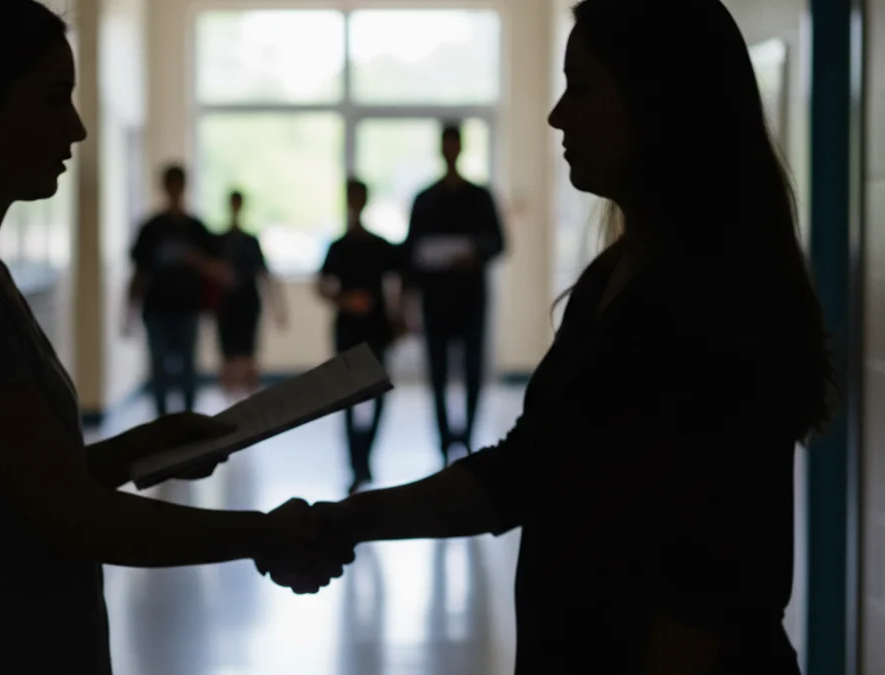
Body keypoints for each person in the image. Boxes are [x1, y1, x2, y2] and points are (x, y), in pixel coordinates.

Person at [263, 0, 835, 672]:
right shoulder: (612, 279)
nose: (557, 115)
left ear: (656, 102)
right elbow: (530, 468)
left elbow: (709, 593)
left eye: (582, 87)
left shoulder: (717, 301)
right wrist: (351, 519)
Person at [0, 2, 350, 673]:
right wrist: (262, 533)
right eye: (53, 101)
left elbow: (14, 485)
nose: (76, 128)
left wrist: (145, 447)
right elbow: (74, 516)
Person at [401, 121, 506, 464]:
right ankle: (445, 440)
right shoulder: (425, 199)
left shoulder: (479, 196)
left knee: (472, 371)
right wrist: (407, 303)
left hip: (470, 299)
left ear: (459, 148)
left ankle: (467, 436)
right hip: (437, 300)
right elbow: (411, 255)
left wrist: (474, 254)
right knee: (439, 374)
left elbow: (499, 243)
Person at [318, 179, 404, 495]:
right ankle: (356, 460)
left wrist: (397, 315)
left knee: (377, 392)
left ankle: (364, 456)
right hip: (348, 329)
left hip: (375, 329)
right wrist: (345, 302)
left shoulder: (379, 246)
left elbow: (396, 281)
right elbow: (323, 285)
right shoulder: (338, 246)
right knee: (347, 397)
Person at [127, 164, 229, 416]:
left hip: (188, 309)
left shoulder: (196, 228)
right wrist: (128, 312)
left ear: (184, 187)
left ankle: (188, 419)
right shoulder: (151, 228)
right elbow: (139, 273)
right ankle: (163, 422)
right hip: (157, 309)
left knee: (188, 371)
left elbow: (218, 270)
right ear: (164, 187)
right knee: (159, 370)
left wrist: (195, 260)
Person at [215, 190, 286, 397]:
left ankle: (248, 404)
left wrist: (278, 307)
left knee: (248, 357)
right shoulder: (219, 240)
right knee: (228, 357)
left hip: (247, 305)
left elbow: (264, 275)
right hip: (226, 306)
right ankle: (231, 404)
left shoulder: (249, 241)